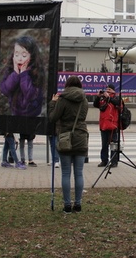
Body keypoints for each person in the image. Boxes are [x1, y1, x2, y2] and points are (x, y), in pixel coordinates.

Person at [48, 76, 89, 213]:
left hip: (65, 137)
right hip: (81, 137)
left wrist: (53, 103)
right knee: (79, 173)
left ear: (67, 85)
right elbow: (83, 116)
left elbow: (53, 118)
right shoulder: (84, 99)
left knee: (66, 173)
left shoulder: (62, 99)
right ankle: (78, 204)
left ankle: (67, 205)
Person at [0, 36, 45, 117]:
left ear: (32, 56)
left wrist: (24, 74)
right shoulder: (11, 68)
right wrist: (15, 74)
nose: (19, 59)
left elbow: (30, 95)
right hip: (16, 112)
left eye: (24, 56)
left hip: (33, 114)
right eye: (16, 55)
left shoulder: (36, 71)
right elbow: (4, 90)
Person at [93, 84, 120, 167]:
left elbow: (118, 104)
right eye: (106, 89)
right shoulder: (103, 99)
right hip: (103, 125)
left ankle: (114, 161)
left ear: (113, 90)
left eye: (109, 89)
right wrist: (98, 97)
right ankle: (104, 160)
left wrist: (109, 97)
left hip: (113, 125)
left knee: (113, 145)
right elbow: (95, 105)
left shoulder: (116, 98)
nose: (107, 91)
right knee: (104, 145)